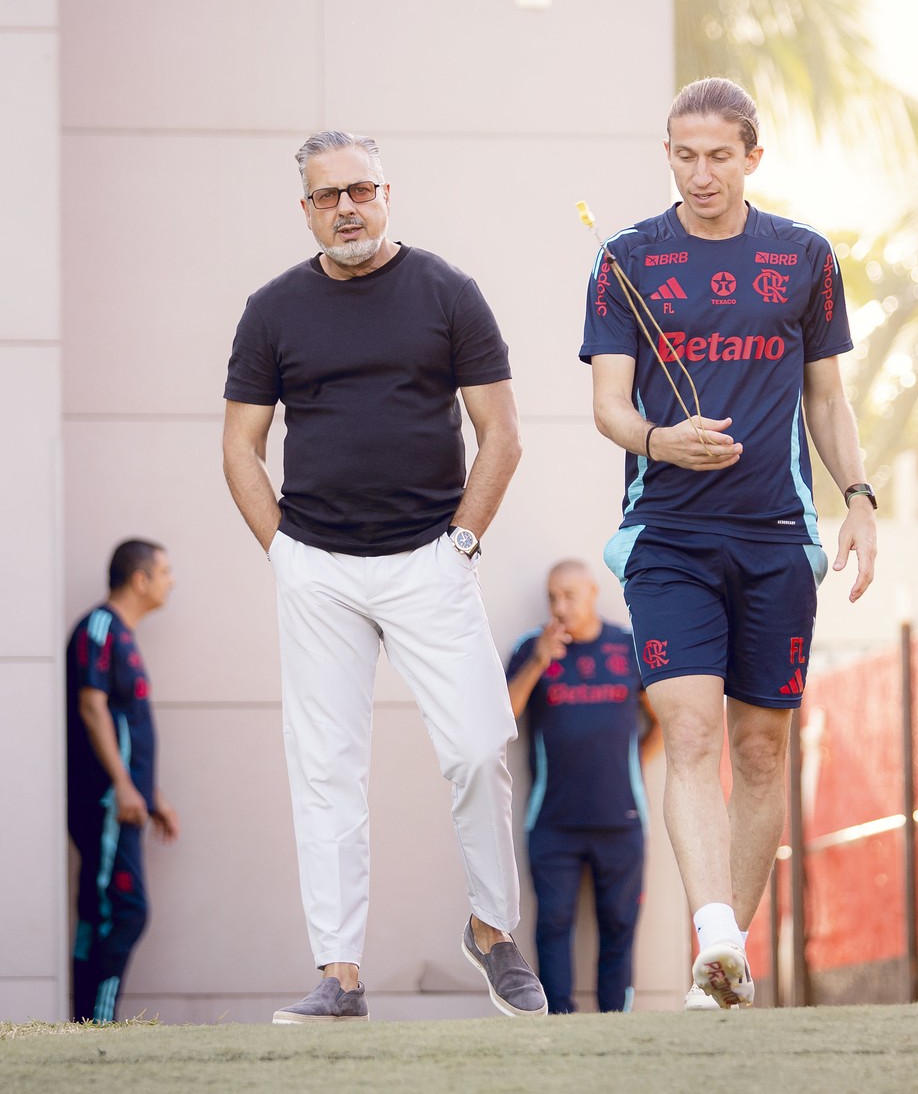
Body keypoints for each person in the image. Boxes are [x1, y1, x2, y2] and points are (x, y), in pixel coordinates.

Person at [222, 129, 546, 1023]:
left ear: (386, 193)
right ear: (307, 211)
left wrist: (464, 545)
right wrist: (283, 552)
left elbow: (503, 435)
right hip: (316, 565)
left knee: (480, 746)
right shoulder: (272, 309)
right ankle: (340, 973)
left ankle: (491, 931)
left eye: (359, 190)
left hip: (429, 561)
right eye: (327, 197)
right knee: (325, 770)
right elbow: (241, 447)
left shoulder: (447, 292)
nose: (346, 209)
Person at [579, 78, 877, 1010]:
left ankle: (721, 970)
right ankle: (713, 927)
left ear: (753, 156)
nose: (699, 173)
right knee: (692, 730)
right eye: (682, 154)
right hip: (666, 532)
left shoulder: (804, 258)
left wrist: (859, 498)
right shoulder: (624, 258)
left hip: (779, 538)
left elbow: (827, 398)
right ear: (667, 154)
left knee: (759, 752)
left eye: (718, 155)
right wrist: (657, 441)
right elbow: (609, 407)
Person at [506, 560, 662, 1014]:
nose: (560, 606)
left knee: (620, 925)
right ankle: (558, 1021)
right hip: (553, 824)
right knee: (553, 925)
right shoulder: (531, 648)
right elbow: (505, 716)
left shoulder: (628, 648)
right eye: (553, 597)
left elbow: (662, 721)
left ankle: (617, 1023)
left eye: (569, 595)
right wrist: (539, 660)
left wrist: (632, 762)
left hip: (622, 820)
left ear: (593, 592)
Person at [66, 539, 180, 1023]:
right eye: (164, 572)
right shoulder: (100, 628)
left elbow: (125, 724)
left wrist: (151, 795)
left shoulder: (124, 635)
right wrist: (125, 786)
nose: (170, 581)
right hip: (107, 801)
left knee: (101, 910)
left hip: (128, 799)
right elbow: (92, 709)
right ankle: (97, 1022)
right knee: (124, 910)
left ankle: (84, 1023)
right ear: (140, 579)